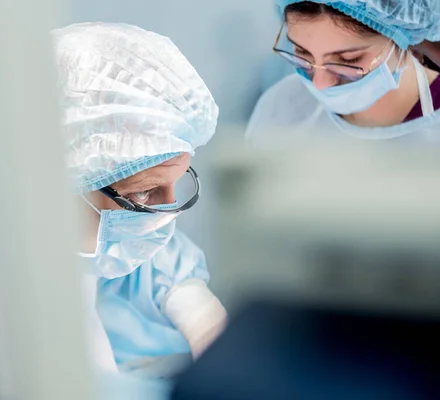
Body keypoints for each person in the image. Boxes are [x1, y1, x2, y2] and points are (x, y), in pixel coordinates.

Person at [51, 22, 227, 378]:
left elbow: (171, 282)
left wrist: (200, 315)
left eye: (178, 181)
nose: (164, 214)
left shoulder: (122, 257)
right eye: (144, 193)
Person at [246, 0, 440, 146]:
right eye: (302, 52)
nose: (320, 84)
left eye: (348, 60)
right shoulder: (280, 107)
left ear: (405, 38)